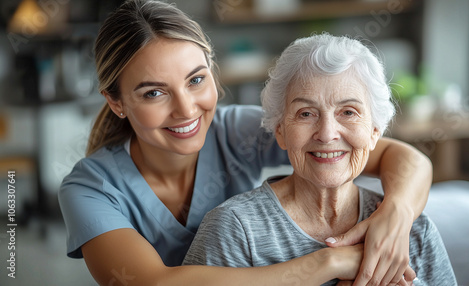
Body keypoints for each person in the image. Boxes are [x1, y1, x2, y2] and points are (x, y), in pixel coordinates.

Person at [58, 1, 433, 285]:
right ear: (117, 102)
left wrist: (396, 213)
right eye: (155, 93)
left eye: (195, 80)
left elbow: (403, 158)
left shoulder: (235, 129)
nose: (187, 110)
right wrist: (330, 262)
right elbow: (158, 284)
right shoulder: (91, 189)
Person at [183, 33, 457, 285]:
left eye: (348, 112)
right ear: (280, 132)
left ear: (375, 132)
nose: (327, 134)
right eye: (306, 113)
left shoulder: (412, 230)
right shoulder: (233, 229)